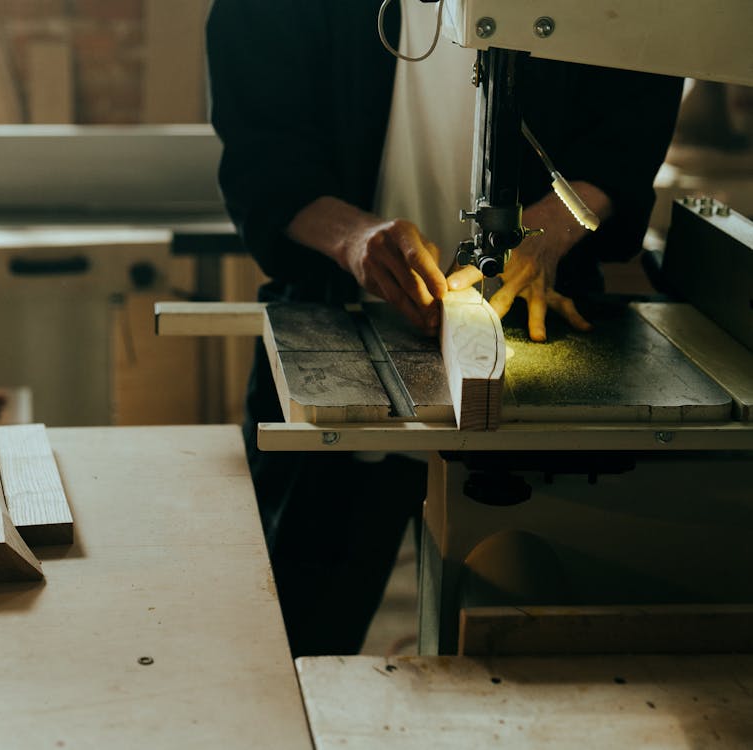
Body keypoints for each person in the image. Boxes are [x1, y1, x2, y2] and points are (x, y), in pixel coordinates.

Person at [205, 0, 684, 656]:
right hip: (333, 329)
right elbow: (265, 162)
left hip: (540, 329)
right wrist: (355, 240)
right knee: (289, 640)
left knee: (532, 657)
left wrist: (557, 220)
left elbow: (628, 128)